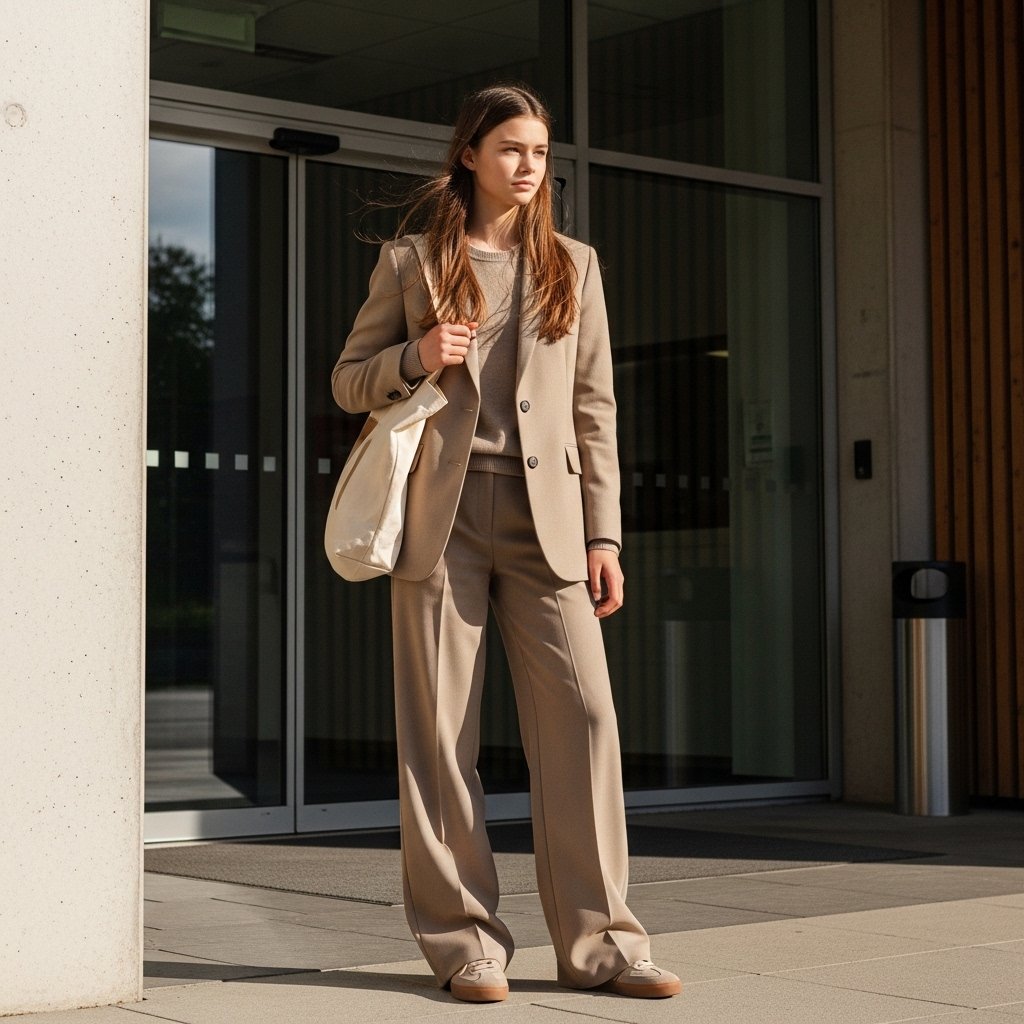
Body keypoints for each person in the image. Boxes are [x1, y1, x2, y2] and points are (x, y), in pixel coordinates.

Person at [331, 83, 681, 1005]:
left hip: (548, 525)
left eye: (540, 153)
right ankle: (466, 946)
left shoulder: (573, 265)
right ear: (471, 156)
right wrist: (416, 357)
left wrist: (604, 533)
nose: (530, 167)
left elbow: (594, 409)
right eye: (512, 150)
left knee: (587, 719)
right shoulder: (412, 261)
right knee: (440, 736)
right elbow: (347, 381)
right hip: (441, 521)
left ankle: (604, 945)